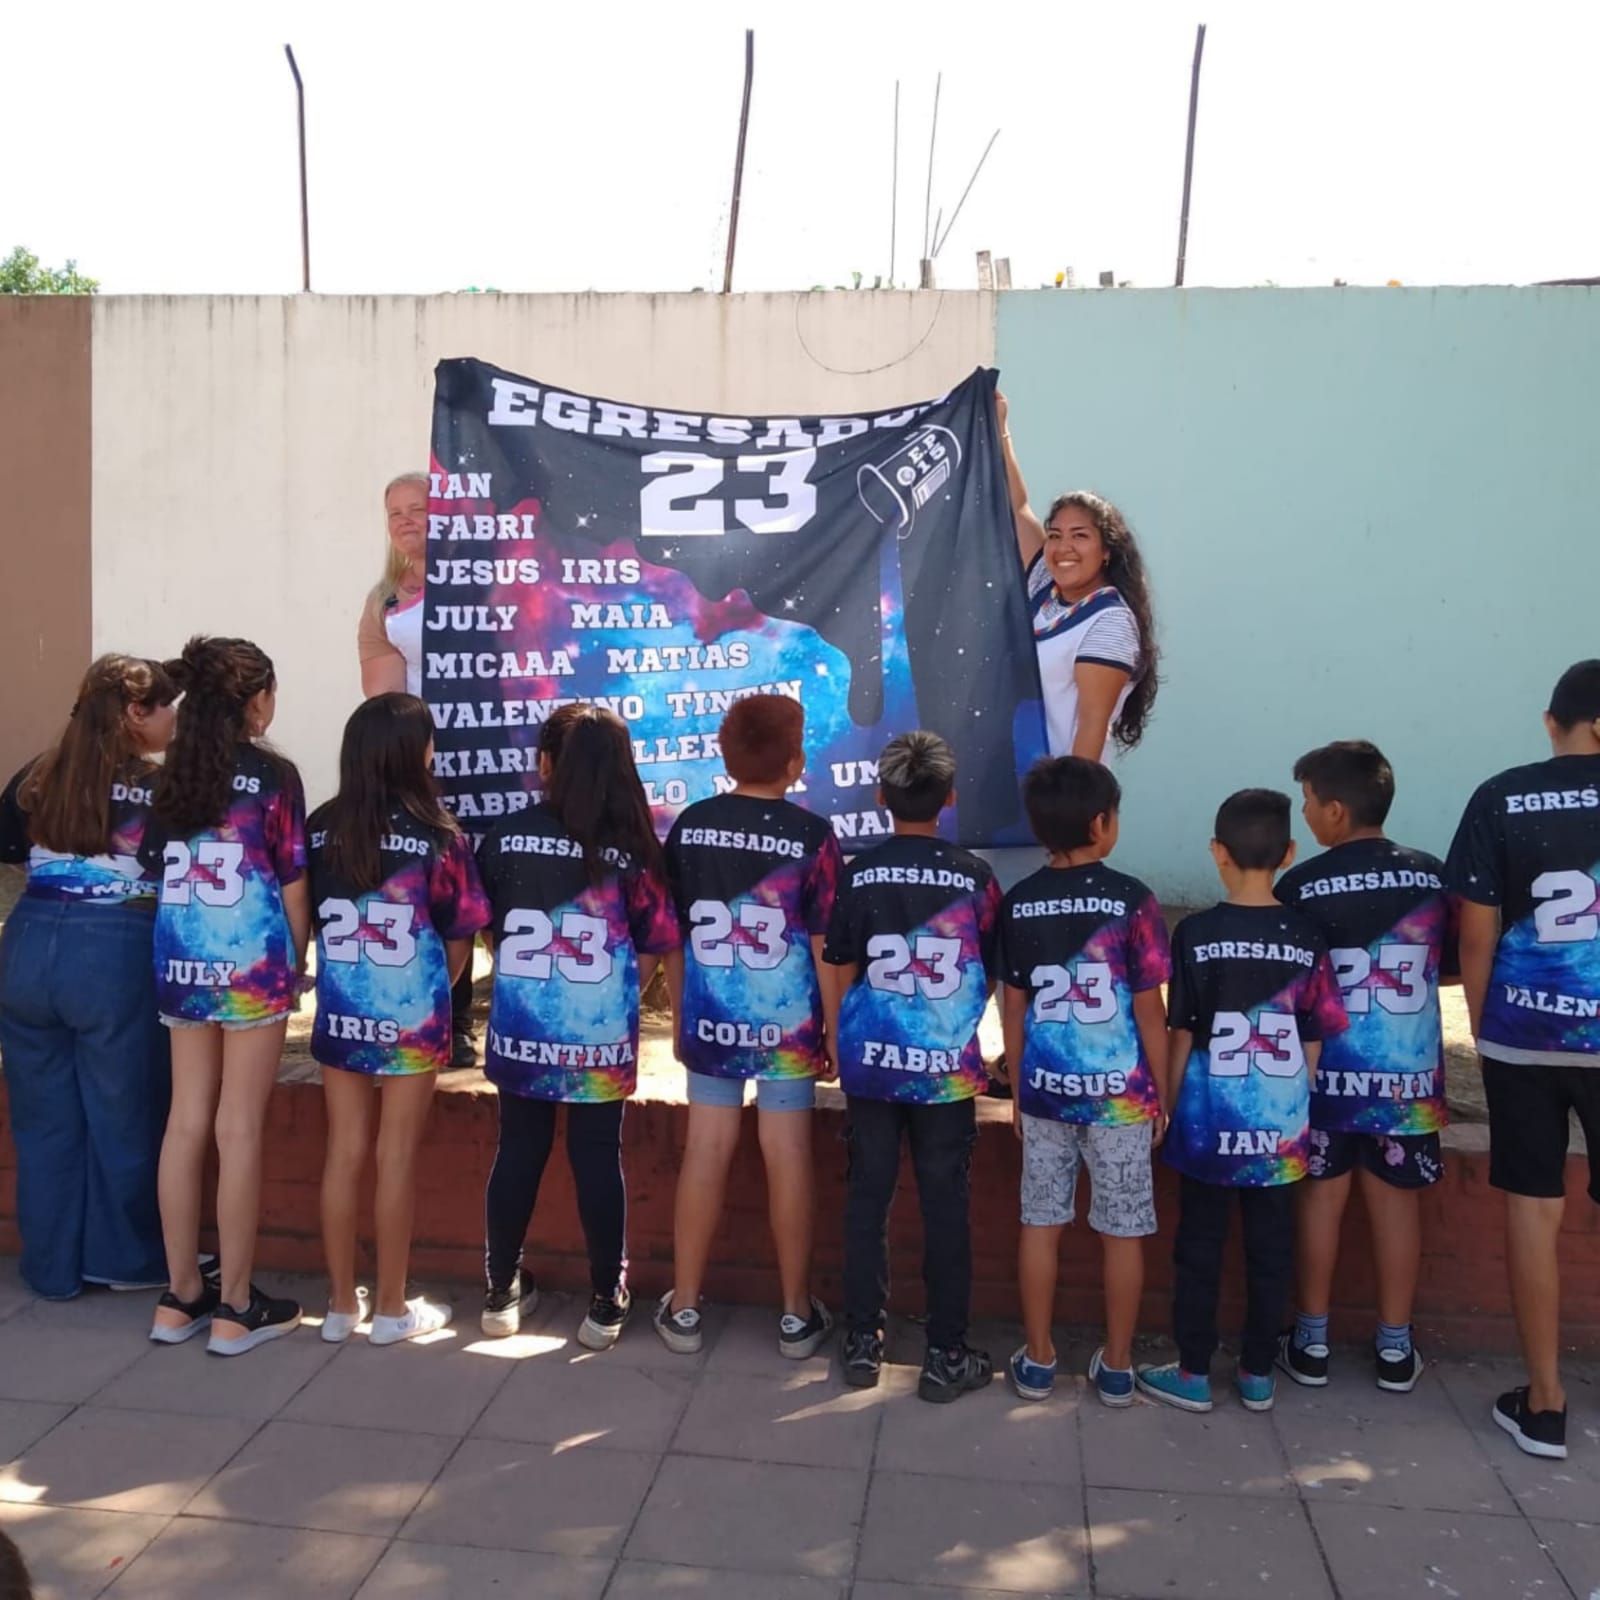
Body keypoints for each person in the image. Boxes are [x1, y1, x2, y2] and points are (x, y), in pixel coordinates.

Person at [475, 705, 680, 1348]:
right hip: (597, 1033)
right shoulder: (637, 852)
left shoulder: (504, 836)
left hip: (520, 1025)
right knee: (596, 1157)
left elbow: (489, 930)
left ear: (544, 764)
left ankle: (500, 1290)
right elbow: (651, 951)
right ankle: (605, 1301)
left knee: (518, 1151)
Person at [1137, 789, 1346, 1415]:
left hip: (1206, 1125)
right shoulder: (1309, 936)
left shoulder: (1195, 934)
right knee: (1271, 1246)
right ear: (1288, 852)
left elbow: (1180, 1030)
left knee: (1198, 1246)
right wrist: (1295, 1107)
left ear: (1217, 854)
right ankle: (1258, 1373)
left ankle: (1194, 1372)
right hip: (1280, 1128)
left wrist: (1167, 1105)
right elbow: (1314, 1036)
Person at [655, 695, 842, 1358]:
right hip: (787, 1026)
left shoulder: (692, 825)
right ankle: (795, 1315)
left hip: (710, 1018)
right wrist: (833, 1028)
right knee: (787, 1154)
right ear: (795, 762)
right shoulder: (813, 836)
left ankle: (683, 1309)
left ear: (724, 754)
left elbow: (671, 938)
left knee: (705, 1150)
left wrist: (681, 1012)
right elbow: (825, 944)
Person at [1446, 660, 1600, 1461]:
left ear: (1555, 723)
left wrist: (1485, 1030)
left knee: (1534, 1212)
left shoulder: (1502, 795)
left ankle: (1544, 1404)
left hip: (1525, 1037)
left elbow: (1475, 932)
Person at [307, 694, 492, 1345]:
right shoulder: (439, 833)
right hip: (411, 1011)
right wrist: (426, 996)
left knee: (344, 1150)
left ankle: (336, 1306)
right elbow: (461, 938)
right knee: (395, 1157)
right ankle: (391, 1309)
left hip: (341, 1009)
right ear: (414, 752)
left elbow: (301, 921)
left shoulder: (321, 825)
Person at [143, 637, 310, 1355]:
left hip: (181, 954)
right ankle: (237, 1306)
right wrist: (296, 964)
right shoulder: (275, 776)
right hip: (252, 963)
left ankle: (180, 1296)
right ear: (255, 700)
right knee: (237, 1125)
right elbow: (294, 881)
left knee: (186, 1121)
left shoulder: (172, 774)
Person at [823, 730, 1001, 1402]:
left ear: (880, 798)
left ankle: (862, 1342)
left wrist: (845, 1041)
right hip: (944, 1070)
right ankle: (946, 1354)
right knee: (944, 1203)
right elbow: (989, 973)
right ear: (950, 798)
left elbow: (838, 962)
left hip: (870, 1062)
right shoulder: (976, 878)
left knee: (867, 1197)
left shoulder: (859, 871)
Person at [1274, 741, 1453, 1394]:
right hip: (1407, 1086)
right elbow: (1449, 965)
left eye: (1309, 803)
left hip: (1324, 1085)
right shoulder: (1433, 878)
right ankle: (1395, 1349)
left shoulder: (1299, 886)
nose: (1306, 815)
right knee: (1397, 1206)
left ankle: (1312, 1341)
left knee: (1320, 1200)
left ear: (1337, 810)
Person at [0, 655, 179, 1300]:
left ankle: (51, 1267)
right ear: (137, 713)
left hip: (26, 942)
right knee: (124, 1111)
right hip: (112, 950)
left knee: (42, 1120)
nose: (173, 720)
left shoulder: (37, 775)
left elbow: (10, 850)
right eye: (166, 708)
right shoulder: (161, 789)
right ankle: (123, 1262)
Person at [999, 757, 1171, 1407]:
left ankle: (1039, 1360)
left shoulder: (1020, 902)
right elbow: (1150, 1010)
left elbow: (1012, 1007)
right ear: (1102, 824)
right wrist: (1161, 1094)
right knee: (1123, 1231)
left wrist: (1017, 1087)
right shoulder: (1134, 900)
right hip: (1123, 1099)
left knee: (1040, 1223)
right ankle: (1120, 1367)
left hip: (1044, 1093)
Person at [356, 470, 477, 1071]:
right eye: (393, 513)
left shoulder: (486, 578)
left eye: (417, 508)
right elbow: (383, 700)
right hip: (426, 765)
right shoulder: (385, 598)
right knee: (436, 886)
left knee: (495, 882)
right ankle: (447, 1019)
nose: (405, 520)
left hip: (495, 749)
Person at [994, 391, 1159, 763]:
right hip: (1021, 789)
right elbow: (1017, 506)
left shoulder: (1109, 622)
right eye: (1055, 535)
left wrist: (1071, 812)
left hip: (1063, 800)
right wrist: (1000, 426)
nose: (1063, 547)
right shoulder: (1045, 589)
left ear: (1107, 551)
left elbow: (1092, 727)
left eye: (1080, 536)